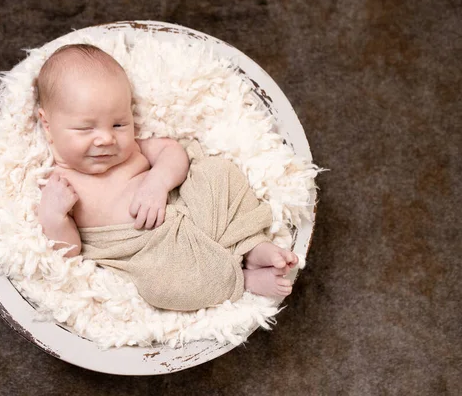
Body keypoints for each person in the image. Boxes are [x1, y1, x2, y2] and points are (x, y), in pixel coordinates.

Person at [36, 44, 298, 311]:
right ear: (48, 125)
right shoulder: (58, 184)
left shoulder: (134, 148)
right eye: (85, 128)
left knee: (218, 172)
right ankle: (244, 280)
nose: (106, 139)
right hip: (150, 254)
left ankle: (251, 245)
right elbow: (68, 252)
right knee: (161, 288)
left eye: (119, 124)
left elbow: (172, 151)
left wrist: (157, 183)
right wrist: (55, 217)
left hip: (188, 211)